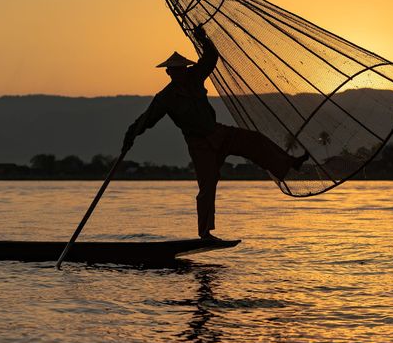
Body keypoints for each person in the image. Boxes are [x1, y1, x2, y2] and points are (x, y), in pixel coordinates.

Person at [122, 26, 308, 240]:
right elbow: (145, 120)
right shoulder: (165, 98)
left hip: (218, 133)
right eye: (175, 70)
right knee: (207, 186)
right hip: (200, 145)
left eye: (182, 68)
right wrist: (130, 137)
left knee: (255, 140)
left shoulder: (195, 76)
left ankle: (290, 162)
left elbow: (211, 57)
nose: (180, 72)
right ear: (169, 73)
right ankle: (205, 233)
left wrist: (202, 38)